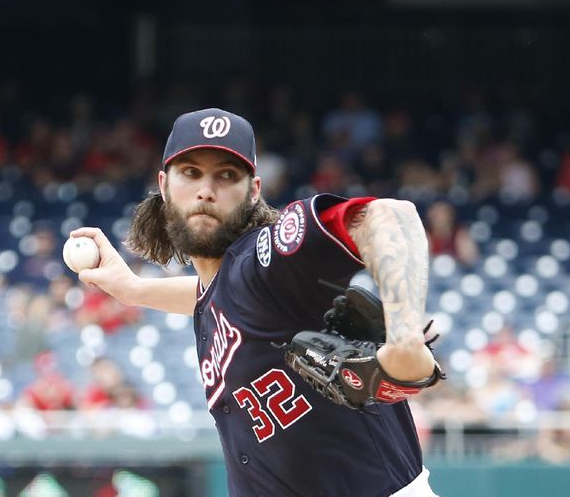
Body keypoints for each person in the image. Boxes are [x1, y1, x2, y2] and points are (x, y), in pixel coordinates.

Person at [71, 107, 441, 497]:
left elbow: (389, 215)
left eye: (227, 175)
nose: (206, 190)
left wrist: (405, 342)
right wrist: (133, 290)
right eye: (191, 172)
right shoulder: (222, 291)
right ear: (163, 185)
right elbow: (209, 297)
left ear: (254, 191)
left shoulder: (268, 260)